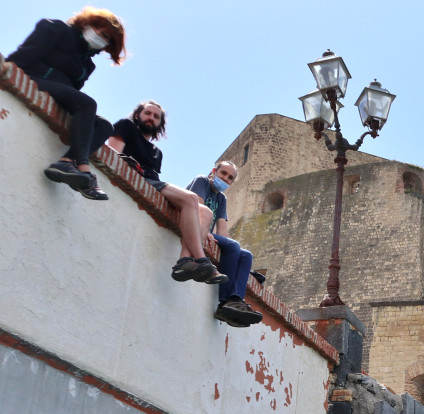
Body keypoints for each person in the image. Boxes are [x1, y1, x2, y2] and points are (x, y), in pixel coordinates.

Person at [8, 8, 126, 200]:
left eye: (104, 35)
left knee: (104, 126)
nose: (97, 34)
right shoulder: (56, 28)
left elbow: (73, 91)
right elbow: (21, 57)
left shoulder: (88, 65)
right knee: (88, 103)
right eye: (96, 26)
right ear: (85, 22)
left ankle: (66, 161)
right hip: (32, 78)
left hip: (57, 95)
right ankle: (83, 169)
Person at [106, 101, 227, 285]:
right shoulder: (126, 125)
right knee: (191, 198)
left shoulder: (156, 153)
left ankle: (184, 260)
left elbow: (156, 181)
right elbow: (112, 154)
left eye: (156, 116)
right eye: (147, 113)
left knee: (206, 212)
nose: (151, 118)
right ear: (138, 115)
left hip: (153, 183)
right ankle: (201, 259)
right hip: (136, 176)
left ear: (160, 123)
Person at [187, 162, 263, 326]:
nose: (225, 179)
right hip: (194, 224)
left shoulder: (221, 198)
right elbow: (197, 208)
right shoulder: (202, 181)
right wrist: (204, 230)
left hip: (211, 234)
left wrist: (236, 258)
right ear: (214, 171)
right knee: (234, 246)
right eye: (223, 173)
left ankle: (236, 299)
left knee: (246, 255)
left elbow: (222, 231)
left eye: (230, 178)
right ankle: (224, 302)